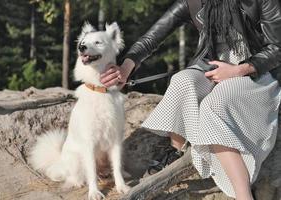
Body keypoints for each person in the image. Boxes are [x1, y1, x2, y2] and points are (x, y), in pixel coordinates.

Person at [100, 0, 281, 199]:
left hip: (255, 71)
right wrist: (125, 69)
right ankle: (175, 150)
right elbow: (152, 37)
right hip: (210, 68)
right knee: (182, 81)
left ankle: (243, 195)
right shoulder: (193, 2)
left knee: (214, 105)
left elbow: (277, 47)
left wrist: (239, 70)